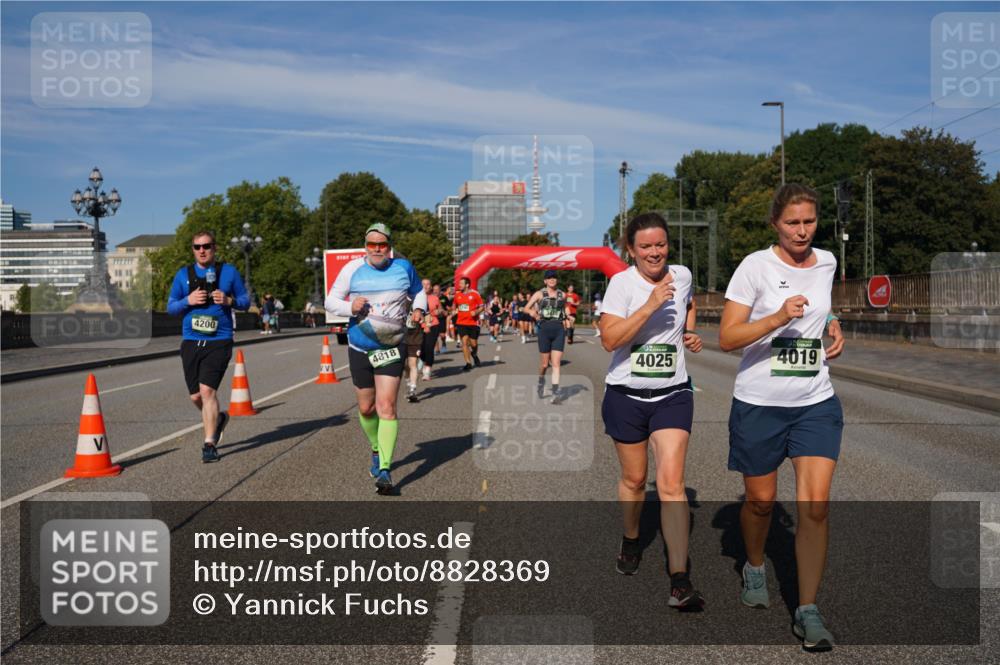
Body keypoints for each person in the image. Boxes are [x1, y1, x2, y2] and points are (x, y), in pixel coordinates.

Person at [719, 183, 846, 651]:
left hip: (815, 400)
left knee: (815, 507)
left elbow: (822, 312)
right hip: (760, 403)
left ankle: (807, 610)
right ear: (775, 223)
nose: (801, 230)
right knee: (761, 503)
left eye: (809, 221)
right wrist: (776, 317)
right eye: (792, 223)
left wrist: (834, 327)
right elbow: (728, 339)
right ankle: (754, 565)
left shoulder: (828, 262)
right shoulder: (755, 266)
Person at [598, 213, 704, 609]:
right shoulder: (621, 284)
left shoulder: (683, 275)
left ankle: (680, 579)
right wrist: (648, 306)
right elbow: (610, 339)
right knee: (635, 479)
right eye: (646, 246)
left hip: (673, 394)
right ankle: (630, 537)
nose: (654, 252)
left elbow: (687, 306)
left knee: (672, 484)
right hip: (625, 394)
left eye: (660, 244)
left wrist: (687, 332)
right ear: (631, 250)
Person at [325, 223, 427, 494]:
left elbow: (419, 291)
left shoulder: (403, 267)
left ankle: (384, 468)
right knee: (367, 408)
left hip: (392, 347)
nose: (377, 249)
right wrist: (349, 306)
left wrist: (418, 308)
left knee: (387, 407)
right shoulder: (351, 270)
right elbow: (330, 301)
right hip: (360, 346)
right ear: (365, 246)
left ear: (389, 245)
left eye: (382, 244)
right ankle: (375, 446)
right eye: (372, 244)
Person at [167, 230, 250, 463]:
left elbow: (245, 301)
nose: (202, 250)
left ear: (215, 247)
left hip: (219, 340)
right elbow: (171, 307)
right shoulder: (183, 275)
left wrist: (230, 301)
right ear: (193, 249)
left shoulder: (229, 272)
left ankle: (209, 444)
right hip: (191, 341)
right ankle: (218, 419)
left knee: (207, 392)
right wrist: (188, 301)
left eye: (206, 246)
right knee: (196, 397)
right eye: (197, 247)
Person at [525, 270, 570, 403]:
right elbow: (526, 308)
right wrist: (533, 313)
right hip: (544, 330)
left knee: (556, 364)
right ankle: (541, 381)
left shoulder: (562, 294)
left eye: (554, 277)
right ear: (545, 281)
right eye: (549, 278)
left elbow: (564, 309)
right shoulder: (539, 294)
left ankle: (555, 393)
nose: (552, 280)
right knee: (545, 365)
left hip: (558, 330)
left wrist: (568, 318)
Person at [453, 276, 484, 371]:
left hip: (473, 322)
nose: (459, 285)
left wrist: (476, 312)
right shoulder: (457, 295)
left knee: (474, 344)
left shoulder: (475, 294)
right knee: (464, 342)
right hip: (461, 322)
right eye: (459, 283)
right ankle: (468, 363)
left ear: (467, 285)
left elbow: (482, 307)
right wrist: (454, 310)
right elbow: (454, 305)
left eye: (461, 283)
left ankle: (474, 354)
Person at [420, 279, 441, 381]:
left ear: (431, 286)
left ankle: (427, 371)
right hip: (419, 326)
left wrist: (438, 311)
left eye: (428, 284)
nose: (426, 286)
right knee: (421, 349)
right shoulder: (417, 297)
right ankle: (424, 362)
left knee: (429, 347)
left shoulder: (435, 298)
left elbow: (440, 309)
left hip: (433, 325)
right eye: (423, 284)